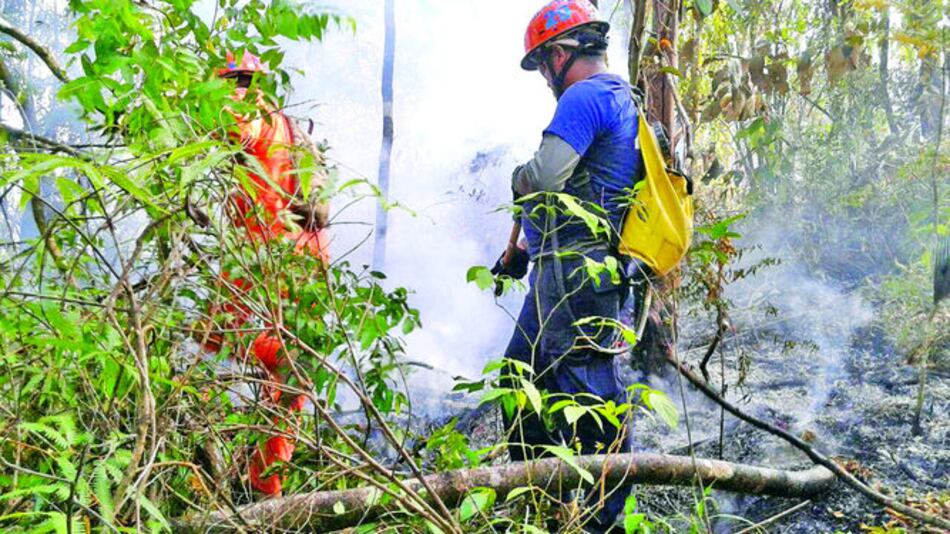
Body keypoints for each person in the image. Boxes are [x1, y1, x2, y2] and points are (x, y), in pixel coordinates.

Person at [493, 1, 643, 530]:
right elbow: (584, 197)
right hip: (564, 272)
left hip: (577, 280)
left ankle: (603, 523)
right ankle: (544, 500)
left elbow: (547, 177)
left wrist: (518, 175)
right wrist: (523, 251)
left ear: (560, 54)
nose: (544, 79)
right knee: (519, 379)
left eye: (541, 67)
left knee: (591, 393)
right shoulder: (622, 97)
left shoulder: (584, 96)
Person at [201, 50, 330, 496]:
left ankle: (252, 483)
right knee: (288, 378)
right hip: (302, 268)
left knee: (216, 352)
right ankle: (259, 480)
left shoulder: (244, 107)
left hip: (264, 264)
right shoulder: (292, 128)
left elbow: (230, 129)